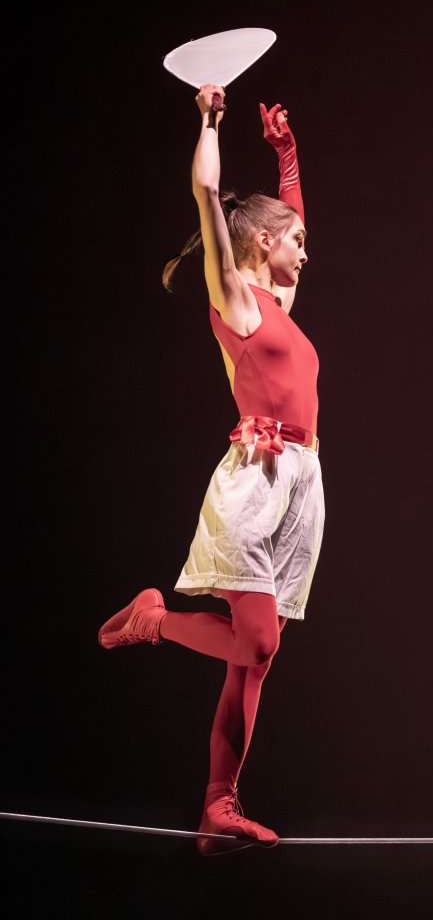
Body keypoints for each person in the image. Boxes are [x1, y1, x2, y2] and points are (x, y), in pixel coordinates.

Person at [98, 83, 324, 854]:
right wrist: (209, 120)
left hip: (302, 482)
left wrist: (287, 157)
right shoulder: (235, 296)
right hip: (254, 478)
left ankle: (217, 806)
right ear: (260, 243)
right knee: (254, 644)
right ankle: (154, 618)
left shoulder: (282, 301)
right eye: (291, 238)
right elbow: (205, 190)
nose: (304, 247)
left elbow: (296, 223)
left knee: (259, 657)